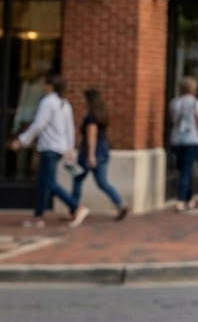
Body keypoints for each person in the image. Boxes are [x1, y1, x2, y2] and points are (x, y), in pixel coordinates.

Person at [6, 73, 89, 228]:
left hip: (49, 147)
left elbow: (38, 124)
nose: (43, 87)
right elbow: (69, 128)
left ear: (51, 86)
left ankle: (76, 206)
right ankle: (38, 217)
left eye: (45, 84)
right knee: (43, 183)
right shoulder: (64, 104)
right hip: (59, 148)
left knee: (48, 182)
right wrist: (69, 148)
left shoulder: (47, 102)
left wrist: (22, 141)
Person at [70, 87, 128, 220]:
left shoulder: (91, 118)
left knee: (78, 179)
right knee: (102, 182)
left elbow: (91, 137)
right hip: (103, 151)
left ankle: (74, 208)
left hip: (90, 153)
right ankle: (119, 203)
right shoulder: (102, 114)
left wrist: (91, 155)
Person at [168, 76, 198, 212]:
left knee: (184, 170)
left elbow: (174, 122)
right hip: (192, 140)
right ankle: (181, 200)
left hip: (176, 140)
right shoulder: (197, 103)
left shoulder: (174, 103)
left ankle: (189, 198)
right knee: (186, 170)